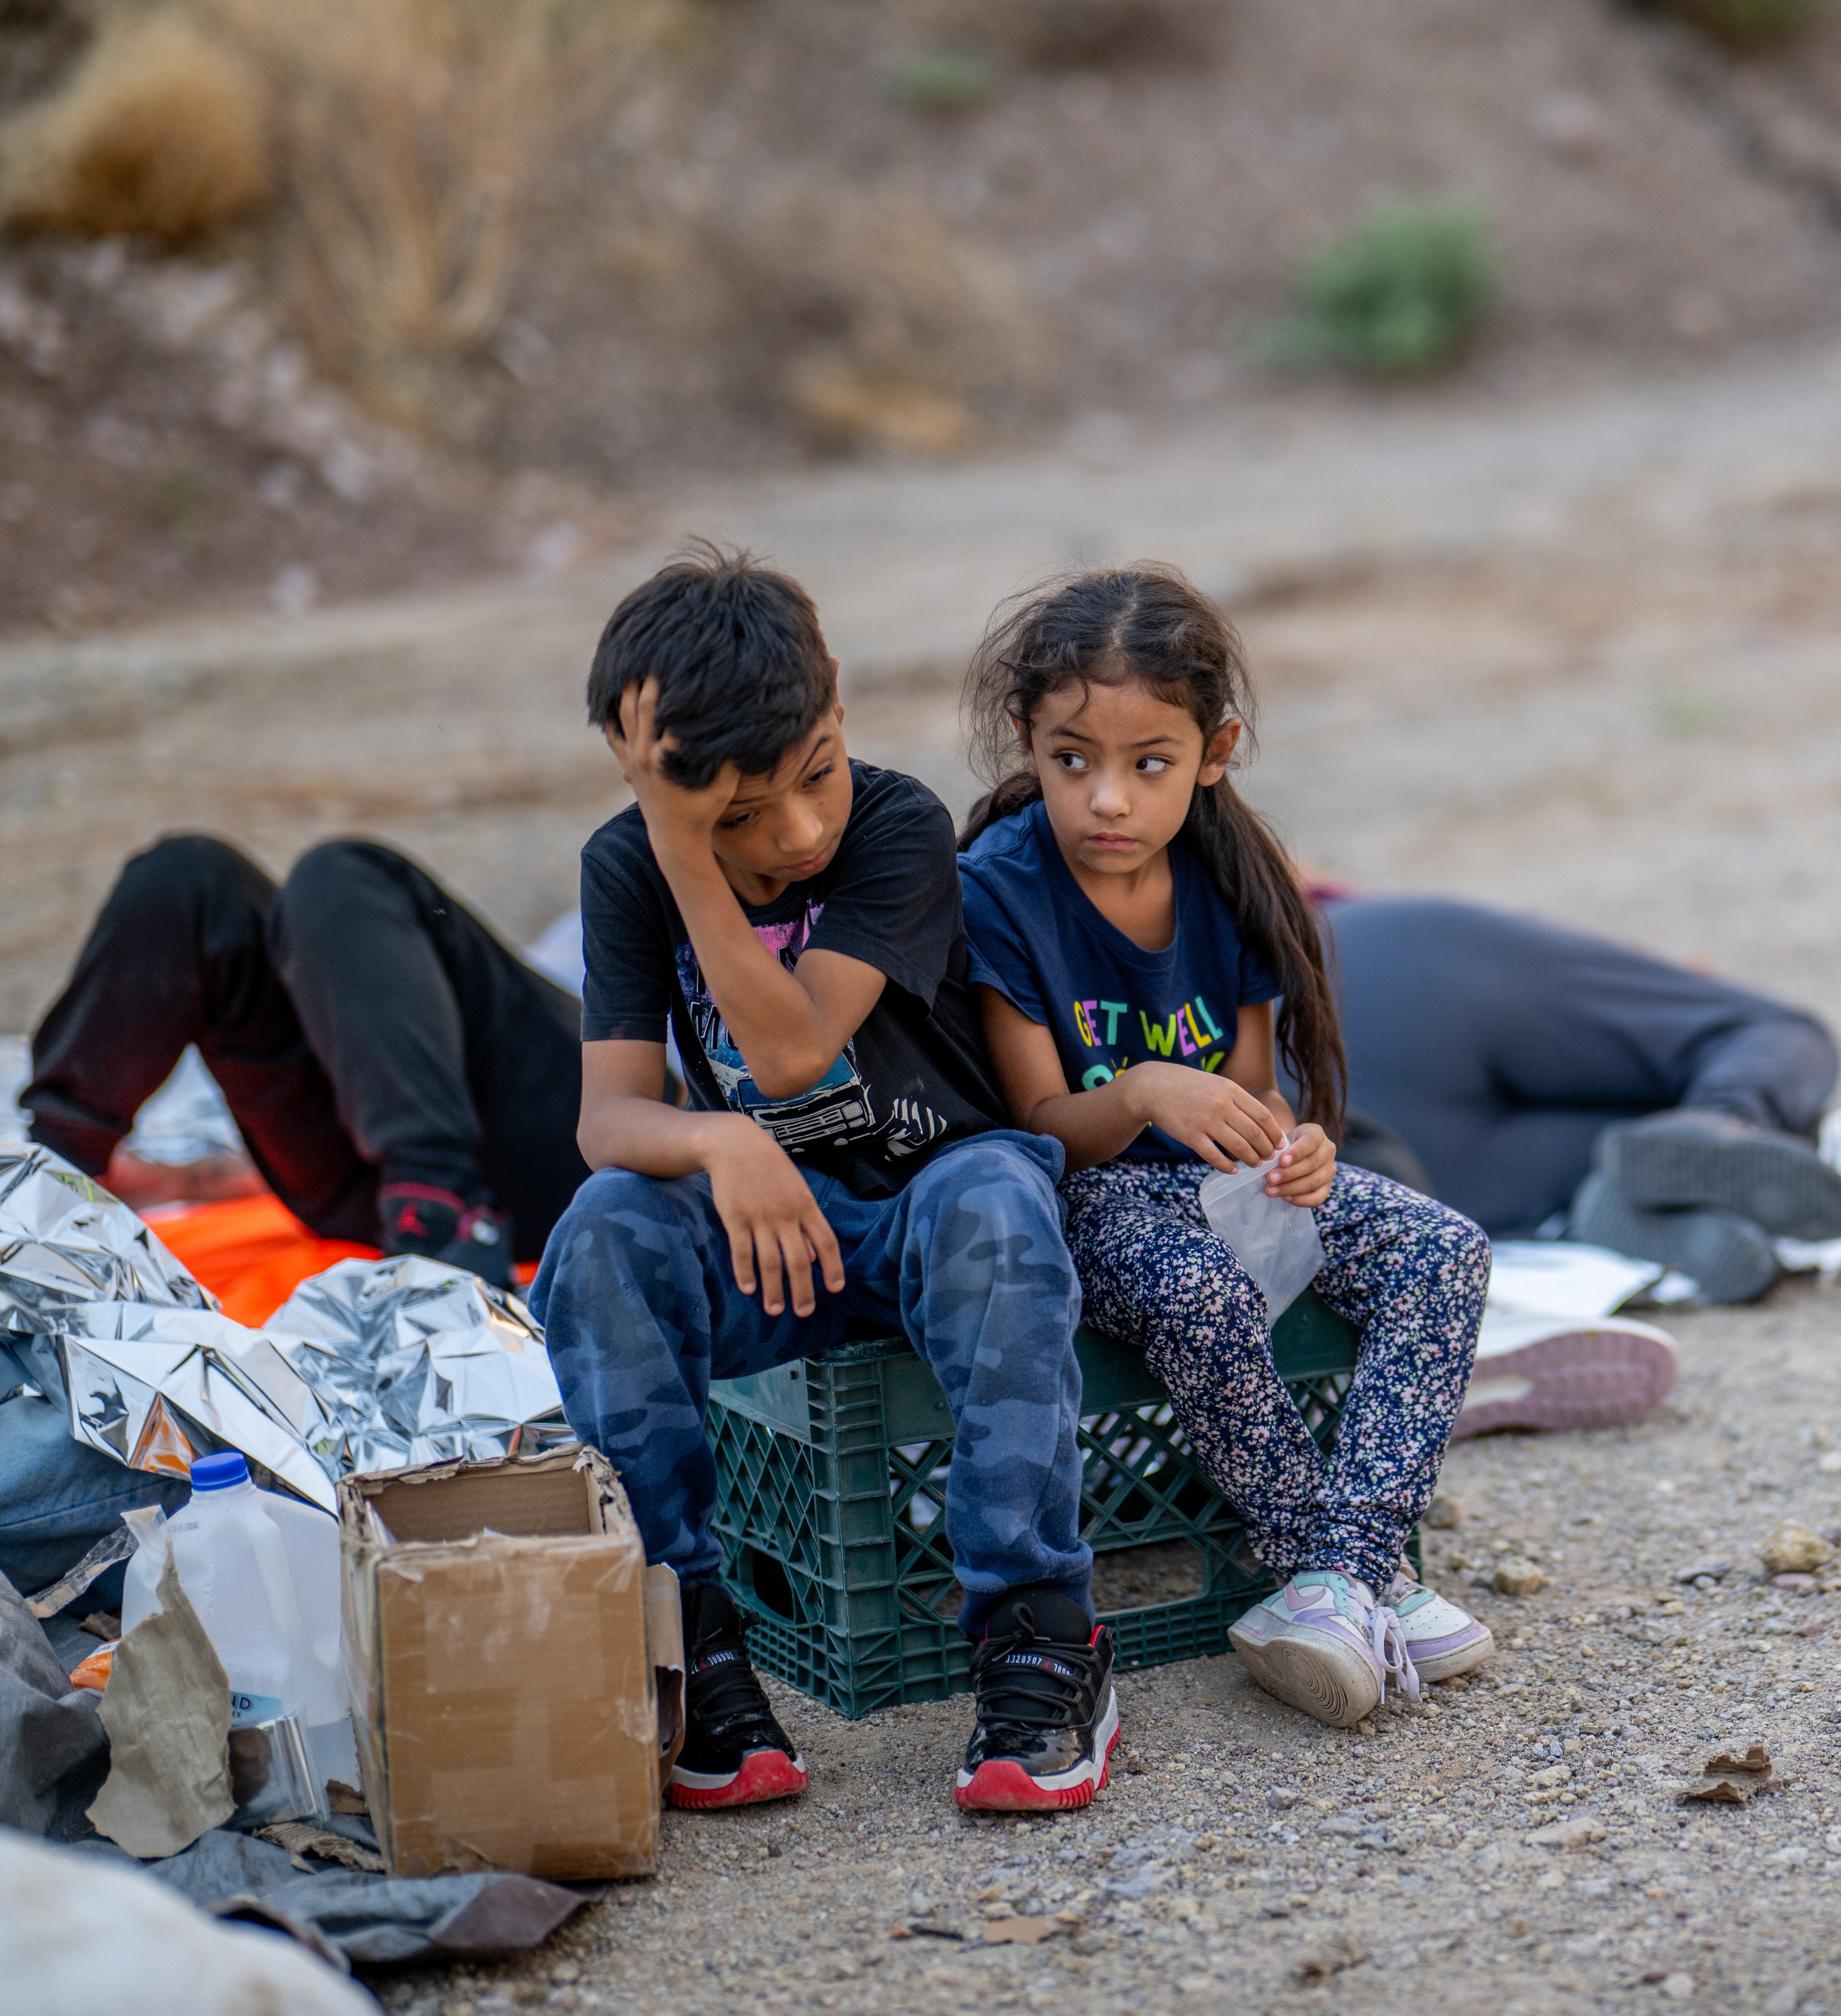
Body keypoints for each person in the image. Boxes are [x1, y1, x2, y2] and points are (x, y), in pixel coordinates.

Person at [528, 544, 1107, 1815]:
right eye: (735, 818)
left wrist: (695, 851)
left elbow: (792, 1052)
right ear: (667, 799)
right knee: (605, 1230)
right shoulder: (628, 865)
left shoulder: (894, 825)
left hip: (929, 1208)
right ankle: (692, 1641)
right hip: (770, 1243)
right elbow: (610, 1115)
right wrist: (716, 1141)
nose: (794, 834)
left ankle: (1037, 1629)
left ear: (838, 704)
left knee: (1001, 1200)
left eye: (812, 777)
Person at [954, 564, 1494, 1730]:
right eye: (1072, 760)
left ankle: (1337, 1576)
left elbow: (1249, 1088)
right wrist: (1147, 1089)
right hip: (1092, 1201)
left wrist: (1290, 1145)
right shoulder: (998, 891)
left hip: (1219, 1186)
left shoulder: (1229, 878)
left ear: (1215, 750)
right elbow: (1041, 1128)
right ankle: (1352, 1577)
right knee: (1199, 1294)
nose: (1108, 799)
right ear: (1025, 741)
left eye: (1149, 764)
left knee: (1441, 1252)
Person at [16, 838, 588, 1285]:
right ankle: (42, 1191)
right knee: (190, 878)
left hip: (584, 1162)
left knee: (340, 879)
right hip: (377, 1188)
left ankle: (440, 1218)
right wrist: (189, 1180)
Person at [1320, 894, 1841, 1305]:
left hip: (1368, 1158)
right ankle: (1725, 1117)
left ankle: (1599, 1206)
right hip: (1363, 969)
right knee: (1763, 1032)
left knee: (1618, 1154)